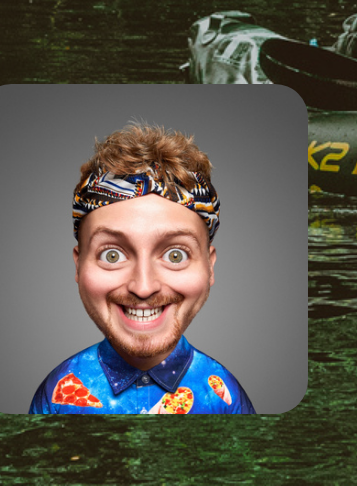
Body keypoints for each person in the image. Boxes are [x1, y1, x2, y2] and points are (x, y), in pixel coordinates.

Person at [29, 123, 255, 414]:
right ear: (78, 264)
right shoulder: (56, 393)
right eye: (112, 255)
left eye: (175, 255)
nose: (144, 287)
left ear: (209, 267)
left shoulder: (225, 396)